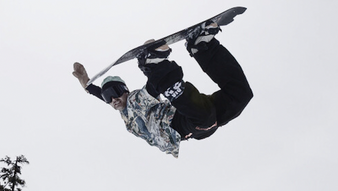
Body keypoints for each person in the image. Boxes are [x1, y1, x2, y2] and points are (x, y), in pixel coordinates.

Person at [71, 22, 253, 157]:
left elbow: (149, 91)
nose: (113, 100)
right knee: (231, 99)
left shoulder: (134, 100)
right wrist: (86, 85)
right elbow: (105, 95)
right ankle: (194, 49)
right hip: (182, 128)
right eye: (107, 97)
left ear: (125, 89)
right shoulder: (126, 112)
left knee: (227, 102)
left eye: (115, 93)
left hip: (183, 119)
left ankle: (186, 52)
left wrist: (89, 86)